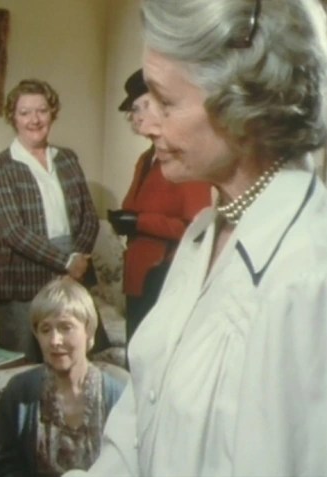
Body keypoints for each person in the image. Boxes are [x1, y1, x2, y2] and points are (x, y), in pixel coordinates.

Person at [65, 0, 327, 475]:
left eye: (165, 102)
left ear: (244, 105)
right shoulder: (204, 235)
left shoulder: (310, 278)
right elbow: (141, 425)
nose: (148, 123)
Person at [0, 78, 103, 362]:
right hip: (24, 277)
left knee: (75, 363)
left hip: (74, 275)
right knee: (24, 367)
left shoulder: (67, 158)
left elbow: (89, 216)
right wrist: (65, 262)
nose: (34, 120)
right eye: (25, 112)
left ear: (52, 113)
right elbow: (13, 231)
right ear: (13, 117)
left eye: (41, 111)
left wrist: (77, 262)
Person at [107, 68, 211, 346]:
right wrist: (124, 219)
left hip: (165, 275)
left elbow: (196, 228)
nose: (138, 116)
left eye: (144, 106)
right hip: (138, 276)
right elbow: (135, 205)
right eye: (134, 109)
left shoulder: (185, 159)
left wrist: (139, 222)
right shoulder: (146, 159)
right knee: (135, 354)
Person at [0, 276, 126, 477]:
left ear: (89, 331)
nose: (54, 341)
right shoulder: (19, 393)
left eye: (65, 327)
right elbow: (1, 469)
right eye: (45, 330)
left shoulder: (118, 396)